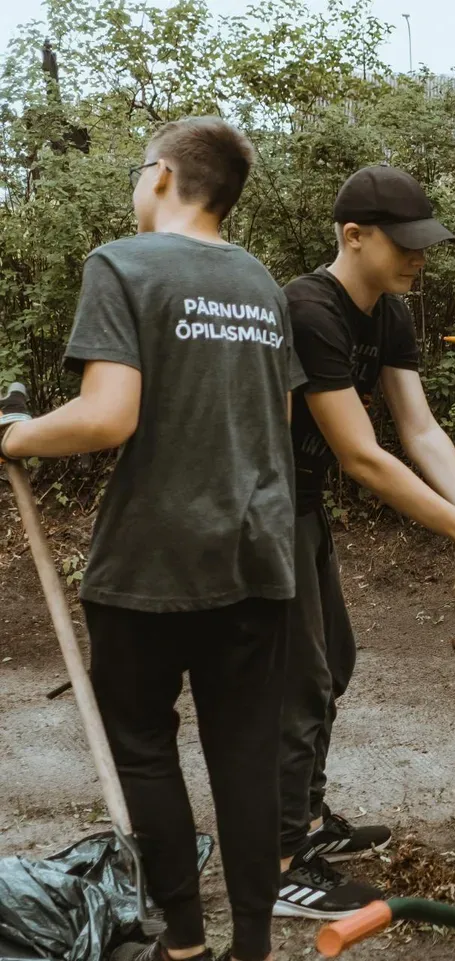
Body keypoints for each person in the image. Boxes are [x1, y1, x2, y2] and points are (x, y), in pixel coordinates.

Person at [0, 117, 303, 961]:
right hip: (255, 557)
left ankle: (183, 940)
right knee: (245, 756)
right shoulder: (262, 285)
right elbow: (275, 422)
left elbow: (107, 416)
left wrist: (15, 437)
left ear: (162, 175)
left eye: (139, 173)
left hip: (150, 562)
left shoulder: (121, 264)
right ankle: (253, 944)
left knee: (141, 744)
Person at [275, 164, 455, 918]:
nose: (420, 257)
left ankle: (306, 816)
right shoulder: (309, 309)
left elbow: (420, 429)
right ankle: (280, 860)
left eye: (425, 243)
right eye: (406, 243)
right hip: (257, 507)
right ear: (353, 236)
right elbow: (363, 456)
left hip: (302, 502)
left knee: (333, 659)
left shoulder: (389, 310)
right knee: (297, 679)